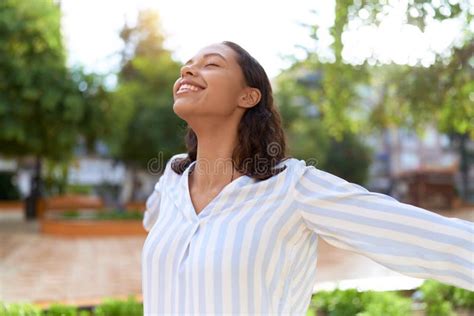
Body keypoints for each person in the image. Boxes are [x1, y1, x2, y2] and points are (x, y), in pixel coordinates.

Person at [141, 41, 473, 315]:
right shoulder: (172, 178)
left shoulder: (293, 188)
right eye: (187, 64)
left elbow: (416, 235)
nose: (187, 70)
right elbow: (154, 218)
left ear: (248, 96)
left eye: (211, 64)